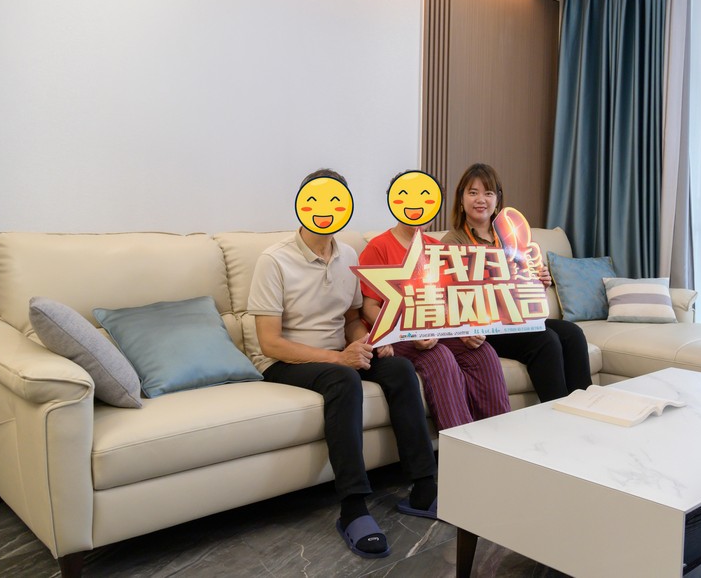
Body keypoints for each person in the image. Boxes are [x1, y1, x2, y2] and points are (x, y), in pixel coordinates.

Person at [247, 169, 438, 561]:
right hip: (284, 361)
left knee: (400, 369)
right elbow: (269, 342)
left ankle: (424, 487)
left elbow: (351, 318)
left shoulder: (348, 255)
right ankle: (353, 508)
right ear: (302, 205)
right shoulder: (274, 260)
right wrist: (340, 358)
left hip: (339, 352)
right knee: (343, 380)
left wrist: (365, 341)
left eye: (336, 202)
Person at [358, 171, 511, 432]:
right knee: (437, 356)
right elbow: (369, 308)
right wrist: (409, 331)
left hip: (433, 329)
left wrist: (465, 330)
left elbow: (449, 303)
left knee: (482, 352)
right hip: (397, 335)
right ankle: (460, 442)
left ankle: (498, 438)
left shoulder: (437, 248)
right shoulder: (378, 246)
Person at [440, 162, 593, 402]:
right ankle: (557, 414)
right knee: (545, 340)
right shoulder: (453, 241)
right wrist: (464, 331)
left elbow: (525, 281)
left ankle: (585, 406)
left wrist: (539, 281)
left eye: (488, 193)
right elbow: (446, 296)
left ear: (497, 199)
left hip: (517, 318)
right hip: (487, 326)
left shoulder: (510, 236)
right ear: (461, 199)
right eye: (473, 192)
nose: (480, 199)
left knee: (572, 333)